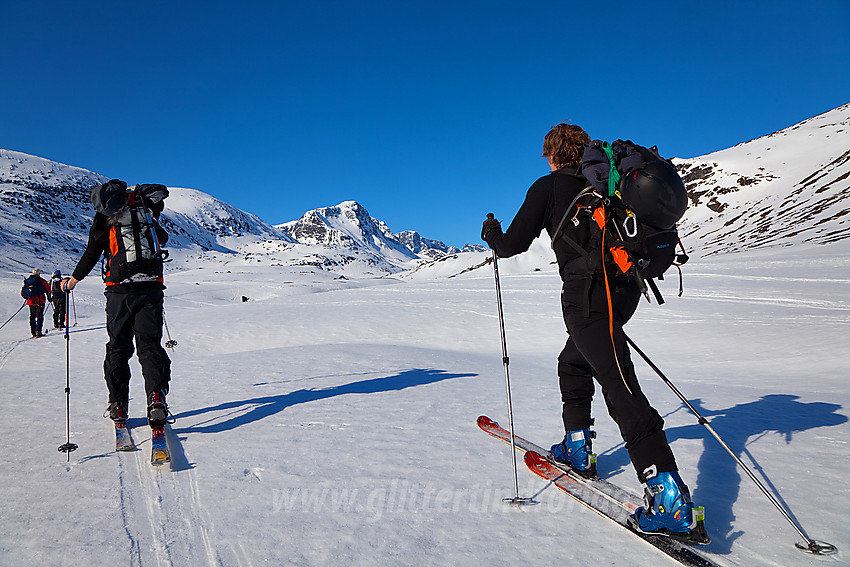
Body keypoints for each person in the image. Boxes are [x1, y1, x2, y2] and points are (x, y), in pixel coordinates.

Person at [481, 123, 703, 541]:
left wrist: (491, 232)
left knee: (621, 387)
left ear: (551, 154)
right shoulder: (602, 185)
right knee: (573, 362)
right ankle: (578, 446)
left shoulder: (548, 187)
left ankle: (669, 500)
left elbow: (510, 246)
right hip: (623, 293)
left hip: (587, 298)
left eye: (546, 153)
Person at [62, 179, 172, 429]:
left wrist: (73, 280)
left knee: (118, 348)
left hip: (119, 291)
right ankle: (156, 398)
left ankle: (118, 403)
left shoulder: (106, 215)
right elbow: (162, 239)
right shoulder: (146, 212)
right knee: (149, 346)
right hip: (151, 287)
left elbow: (92, 251)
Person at [21, 268, 51, 337]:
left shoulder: (28, 281)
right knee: (39, 316)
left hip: (31, 302)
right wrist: (49, 298)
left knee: (32, 316)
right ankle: (38, 331)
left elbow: (23, 291)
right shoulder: (43, 281)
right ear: (39, 273)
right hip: (40, 301)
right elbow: (48, 290)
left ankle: (33, 332)